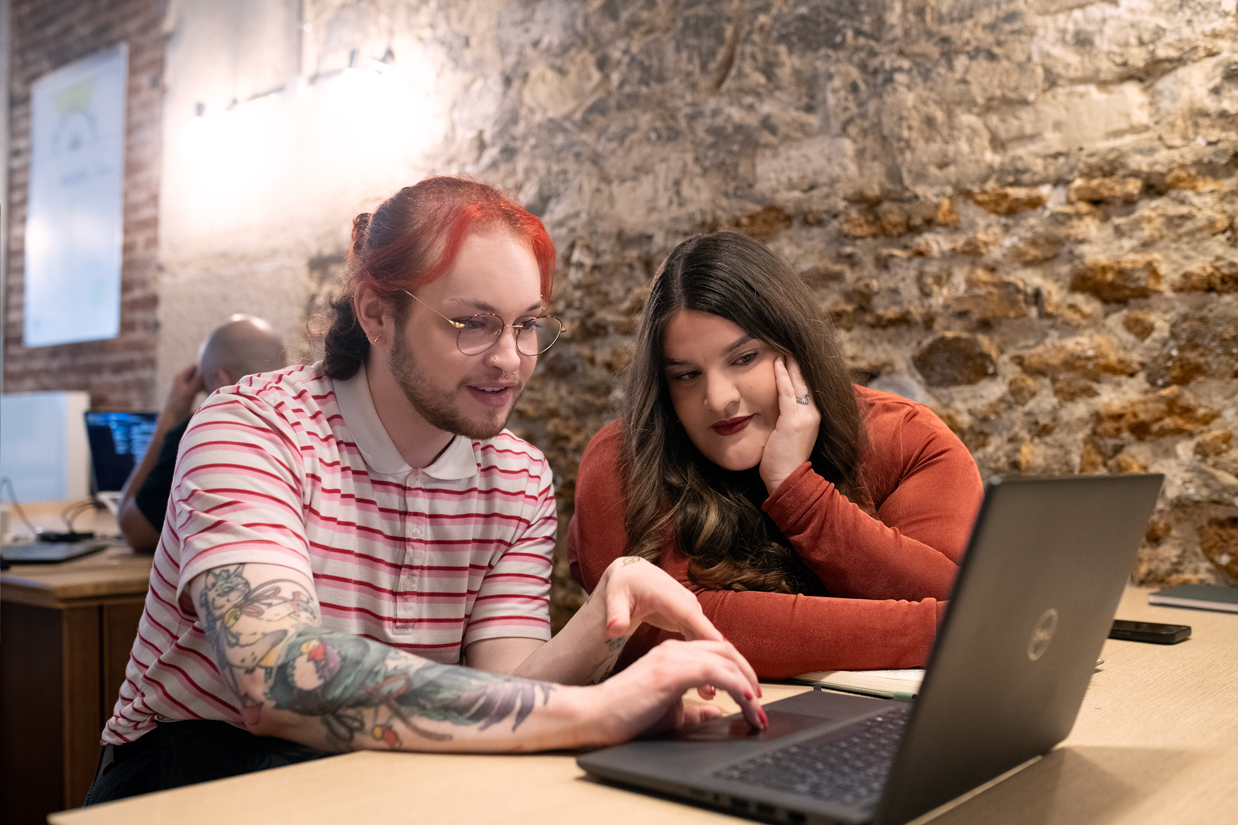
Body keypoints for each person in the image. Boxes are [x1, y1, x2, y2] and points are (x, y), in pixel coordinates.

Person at [86, 178, 763, 805]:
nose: (509, 359)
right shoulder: (250, 427)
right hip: (193, 775)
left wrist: (604, 617)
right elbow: (278, 676)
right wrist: (601, 709)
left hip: (383, 771)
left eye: (526, 324)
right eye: (472, 323)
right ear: (377, 315)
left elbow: (505, 694)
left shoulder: (518, 478)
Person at [569, 231, 985, 679]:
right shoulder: (624, 459)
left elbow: (949, 589)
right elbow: (667, 625)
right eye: (687, 375)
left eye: (744, 358)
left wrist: (796, 489)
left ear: (795, 348)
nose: (719, 397)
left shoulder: (905, 438)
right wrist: (942, 629)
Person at [117, 315, 287, 552]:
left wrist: (171, 416)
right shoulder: (311, 424)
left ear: (220, 380)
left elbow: (135, 529)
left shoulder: (207, 432)